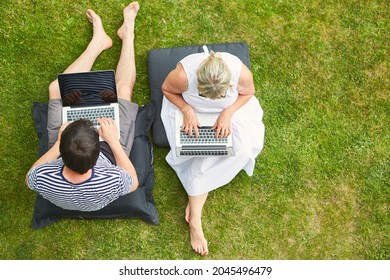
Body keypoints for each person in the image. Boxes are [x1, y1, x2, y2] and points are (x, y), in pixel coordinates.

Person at [26, 2, 141, 212]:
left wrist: (58, 142)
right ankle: (128, 34)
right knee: (122, 89)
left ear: (61, 151)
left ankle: (98, 43)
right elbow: (133, 183)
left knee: (56, 89)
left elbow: (29, 178)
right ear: (98, 155)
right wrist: (114, 143)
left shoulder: (43, 177)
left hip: (67, 150)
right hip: (107, 148)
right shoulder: (111, 178)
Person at [161, 47, 265, 255]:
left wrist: (227, 112)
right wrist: (187, 109)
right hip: (191, 112)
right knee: (202, 153)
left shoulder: (241, 74)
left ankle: (196, 197)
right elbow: (167, 90)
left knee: (244, 149)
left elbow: (248, 93)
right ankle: (195, 220)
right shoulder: (183, 76)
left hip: (231, 111)